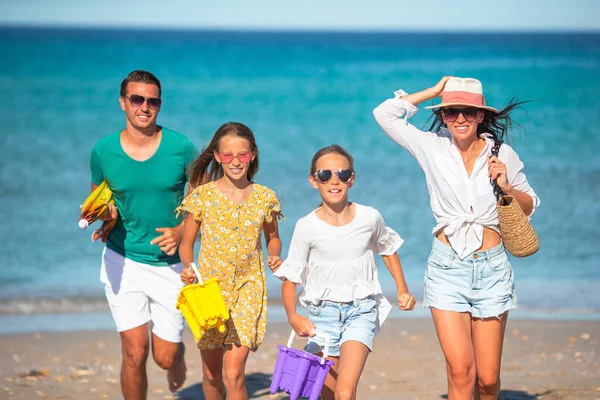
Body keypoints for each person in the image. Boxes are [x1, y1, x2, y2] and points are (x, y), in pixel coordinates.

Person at [373, 77, 540, 399]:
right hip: (447, 268)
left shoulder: (502, 153)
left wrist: (506, 186)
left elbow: (531, 205)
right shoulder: (431, 146)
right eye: (450, 112)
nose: (459, 119)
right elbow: (385, 114)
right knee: (460, 371)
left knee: (488, 380)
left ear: (480, 115)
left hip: (492, 269)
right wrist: (436, 91)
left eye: (467, 112)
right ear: (443, 115)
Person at [274, 144, 416, 400]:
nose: (334, 180)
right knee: (325, 393)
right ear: (313, 181)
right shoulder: (306, 226)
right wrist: (293, 315)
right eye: (325, 175)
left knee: (345, 392)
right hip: (321, 317)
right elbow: (291, 276)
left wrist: (402, 289)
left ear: (352, 178)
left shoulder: (369, 217)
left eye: (342, 173)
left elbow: (387, 248)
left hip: (361, 311)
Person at [90, 70, 197, 399]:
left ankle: (177, 359)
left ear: (159, 105)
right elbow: (100, 200)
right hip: (123, 261)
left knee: (163, 358)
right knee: (133, 354)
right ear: (123, 102)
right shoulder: (103, 151)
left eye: (152, 101)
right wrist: (103, 215)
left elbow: (204, 200)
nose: (145, 107)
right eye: (137, 99)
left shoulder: (181, 148)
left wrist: (182, 231)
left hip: (171, 267)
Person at [178, 122, 284, 400]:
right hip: (209, 292)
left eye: (243, 155)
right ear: (217, 156)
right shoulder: (202, 197)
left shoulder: (265, 198)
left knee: (233, 373)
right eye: (228, 155)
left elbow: (273, 237)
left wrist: (274, 254)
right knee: (212, 376)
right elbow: (186, 244)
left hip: (249, 289)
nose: (235, 161)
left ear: (253, 155)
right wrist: (188, 268)